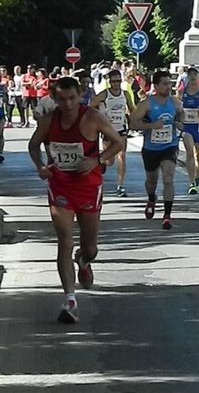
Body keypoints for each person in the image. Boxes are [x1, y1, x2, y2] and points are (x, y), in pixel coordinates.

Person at [28, 76, 124, 324]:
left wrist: (98, 160)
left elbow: (118, 142)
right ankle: (69, 300)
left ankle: (84, 260)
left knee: (90, 248)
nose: (68, 104)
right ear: (54, 98)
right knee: (64, 242)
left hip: (89, 187)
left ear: (80, 95)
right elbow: (34, 144)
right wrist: (41, 166)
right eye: (62, 99)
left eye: (72, 98)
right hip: (60, 186)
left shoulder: (92, 117)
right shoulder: (50, 121)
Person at [130, 70, 184, 230]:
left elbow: (181, 115)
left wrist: (180, 123)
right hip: (151, 148)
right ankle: (151, 198)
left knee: (168, 178)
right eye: (165, 84)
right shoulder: (147, 104)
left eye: (170, 83)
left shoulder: (174, 102)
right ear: (156, 86)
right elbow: (133, 123)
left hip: (170, 145)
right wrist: (151, 126)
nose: (168, 87)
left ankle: (167, 215)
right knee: (152, 180)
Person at [91, 69, 136, 197]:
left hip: (121, 129)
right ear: (109, 82)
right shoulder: (103, 95)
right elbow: (90, 108)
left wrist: (135, 119)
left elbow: (132, 109)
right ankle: (102, 162)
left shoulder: (125, 94)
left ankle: (120, 186)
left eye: (118, 81)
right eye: (114, 81)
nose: (116, 84)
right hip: (107, 131)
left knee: (122, 156)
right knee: (109, 161)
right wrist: (99, 118)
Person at [177, 66, 199, 194]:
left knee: (198, 155)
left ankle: (197, 176)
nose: (192, 77)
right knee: (189, 153)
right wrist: (178, 120)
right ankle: (191, 182)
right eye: (190, 74)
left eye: (194, 74)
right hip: (187, 127)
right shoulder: (182, 92)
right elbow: (177, 109)